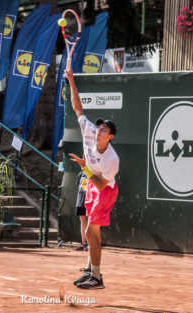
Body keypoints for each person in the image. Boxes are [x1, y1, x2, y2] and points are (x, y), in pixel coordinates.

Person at [65, 68, 119, 290]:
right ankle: (90, 270)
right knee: (90, 228)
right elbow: (78, 108)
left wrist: (83, 167)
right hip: (92, 187)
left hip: (105, 190)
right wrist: (71, 80)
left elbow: (100, 183)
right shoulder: (89, 131)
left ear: (111, 136)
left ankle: (97, 278)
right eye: (99, 127)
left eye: (104, 129)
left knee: (90, 231)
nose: (99, 130)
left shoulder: (111, 160)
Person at [75, 171, 89, 251]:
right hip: (80, 200)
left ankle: (90, 244)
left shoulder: (94, 172)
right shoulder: (81, 173)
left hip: (90, 201)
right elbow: (79, 186)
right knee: (82, 220)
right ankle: (84, 243)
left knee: (91, 222)